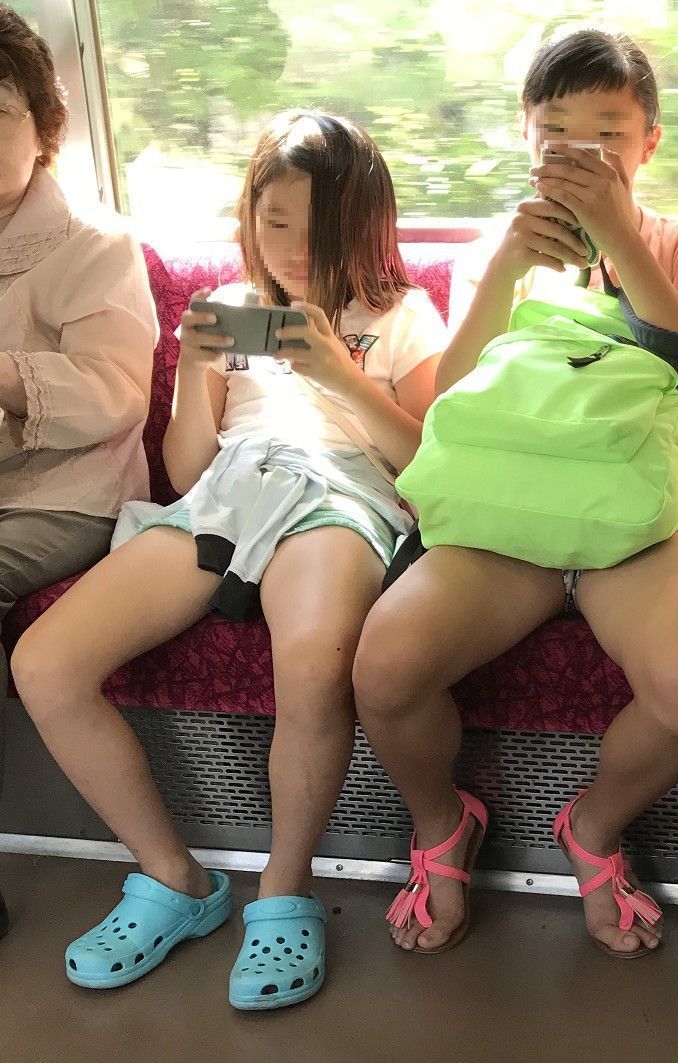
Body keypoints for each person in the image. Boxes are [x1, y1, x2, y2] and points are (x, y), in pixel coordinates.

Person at [11, 109, 446, 1006]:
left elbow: (427, 468)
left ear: (366, 226)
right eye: (274, 221)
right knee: (44, 662)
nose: (293, 248)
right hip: (226, 493)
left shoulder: (400, 316)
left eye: (320, 227)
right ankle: (173, 876)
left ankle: (284, 887)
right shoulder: (230, 308)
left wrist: (338, 373)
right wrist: (196, 370)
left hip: (337, 496)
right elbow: (184, 471)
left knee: (315, 661)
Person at [352, 27, 678, 959]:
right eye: (556, 134)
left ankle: (594, 825)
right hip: (511, 509)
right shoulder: (499, 250)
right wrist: (503, 268)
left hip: (646, 510)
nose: (582, 154)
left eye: (607, 135)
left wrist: (620, 239)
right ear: (525, 138)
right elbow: (448, 405)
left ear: (648, 142)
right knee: (385, 667)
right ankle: (442, 822)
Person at [0, 5, 157, 939]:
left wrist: (5, 378)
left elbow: (117, 394)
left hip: (69, 492)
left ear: (44, 126)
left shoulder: (93, 243)